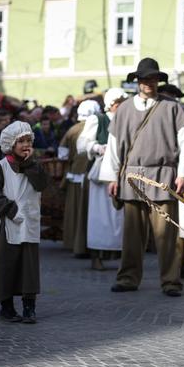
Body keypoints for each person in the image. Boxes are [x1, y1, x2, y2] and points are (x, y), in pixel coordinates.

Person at [100, 57, 184, 296]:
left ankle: (171, 281)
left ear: (158, 81)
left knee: (166, 234)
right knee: (132, 235)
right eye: (144, 79)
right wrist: (112, 177)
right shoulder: (123, 109)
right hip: (131, 176)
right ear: (138, 81)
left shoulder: (172, 107)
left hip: (163, 175)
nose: (148, 83)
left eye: (153, 78)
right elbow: (113, 146)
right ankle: (128, 278)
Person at [0, 122, 50, 324]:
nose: (25, 145)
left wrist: (31, 164)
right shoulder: (1, 167)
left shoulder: (34, 165)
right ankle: (6, 307)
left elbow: (41, 184)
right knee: (5, 264)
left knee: (28, 266)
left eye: (28, 141)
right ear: (11, 144)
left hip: (29, 222)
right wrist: (10, 209)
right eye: (21, 141)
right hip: (8, 223)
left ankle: (29, 307)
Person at [77, 88, 128, 271]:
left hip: (122, 173)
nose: (121, 106)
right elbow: (81, 144)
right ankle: (96, 256)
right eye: (119, 103)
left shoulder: (127, 120)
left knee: (119, 217)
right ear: (112, 104)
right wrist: (98, 148)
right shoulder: (97, 119)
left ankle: (121, 256)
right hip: (100, 175)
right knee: (99, 217)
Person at [58, 100, 101, 256]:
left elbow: (62, 153)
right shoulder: (99, 126)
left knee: (75, 211)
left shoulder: (72, 130)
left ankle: (72, 242)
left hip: (75, 175)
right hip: (94, 176)